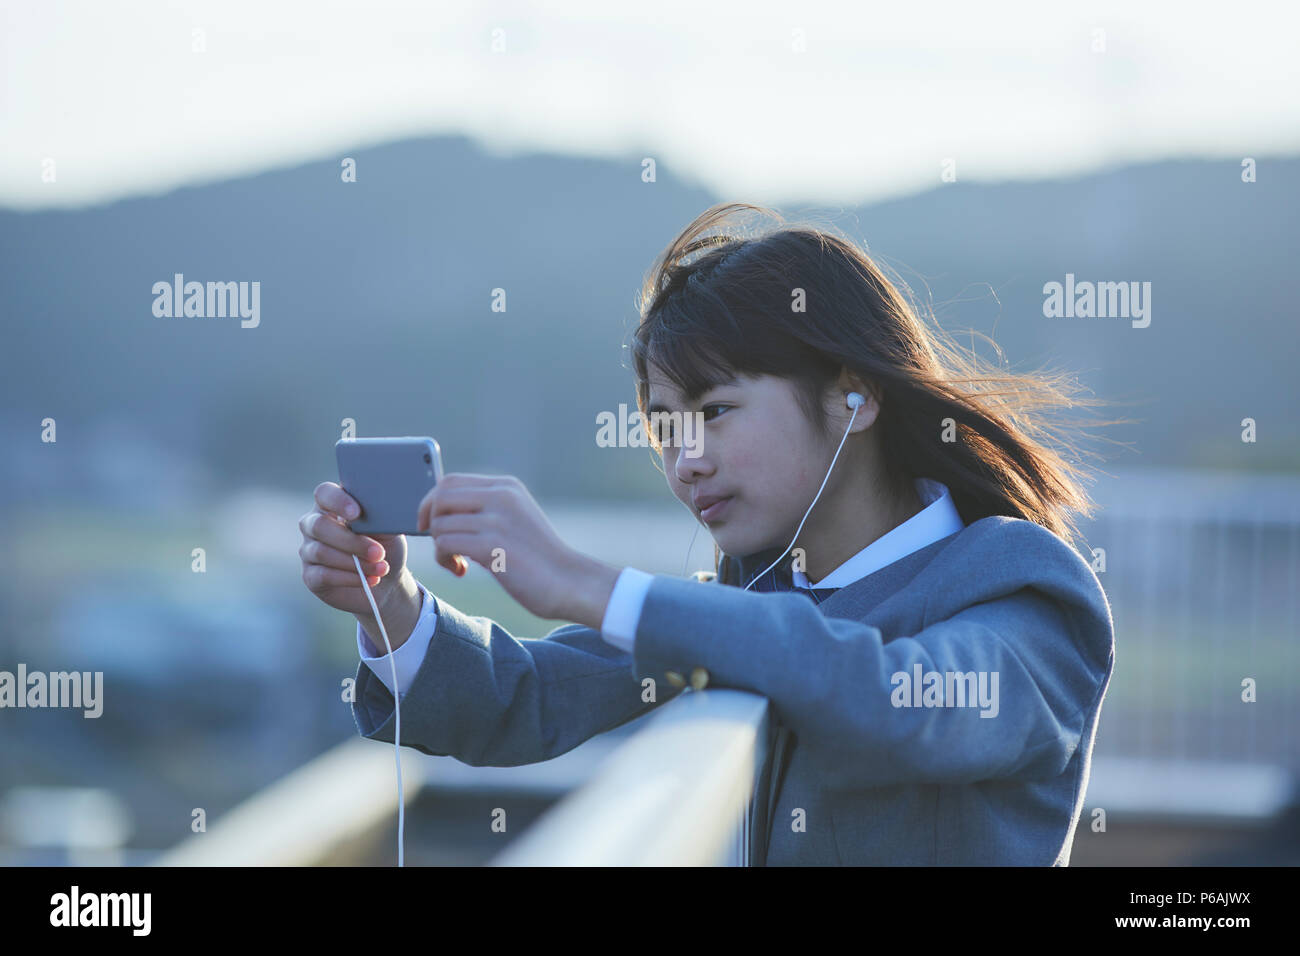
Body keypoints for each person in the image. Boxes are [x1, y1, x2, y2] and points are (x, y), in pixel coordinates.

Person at [298, 202, 1125, 865]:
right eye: (664, 426)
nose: (685, 460)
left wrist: (590, 584)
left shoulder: (1021, 585)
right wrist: (391, 603)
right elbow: (527, 700)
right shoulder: (751, 601)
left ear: (855, 397)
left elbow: (907, 700)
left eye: (716, 412)